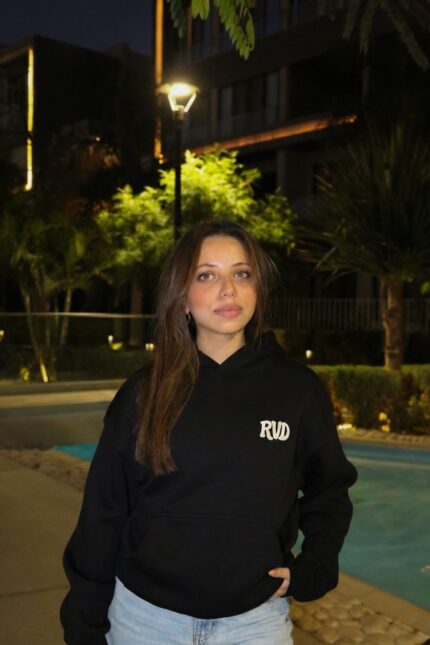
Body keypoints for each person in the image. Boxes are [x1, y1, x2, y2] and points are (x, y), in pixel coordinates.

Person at [60, 220, 357, 645]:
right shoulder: (144, 392)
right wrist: (84, 625)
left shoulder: (298, 391)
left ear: (258, 289)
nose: (228, 290)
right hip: (145, 622)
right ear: (182, 297)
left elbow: (330, 489)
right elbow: (103, 514)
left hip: (254, 625)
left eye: (242, 273)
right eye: (206, 275)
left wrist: (316, 567)